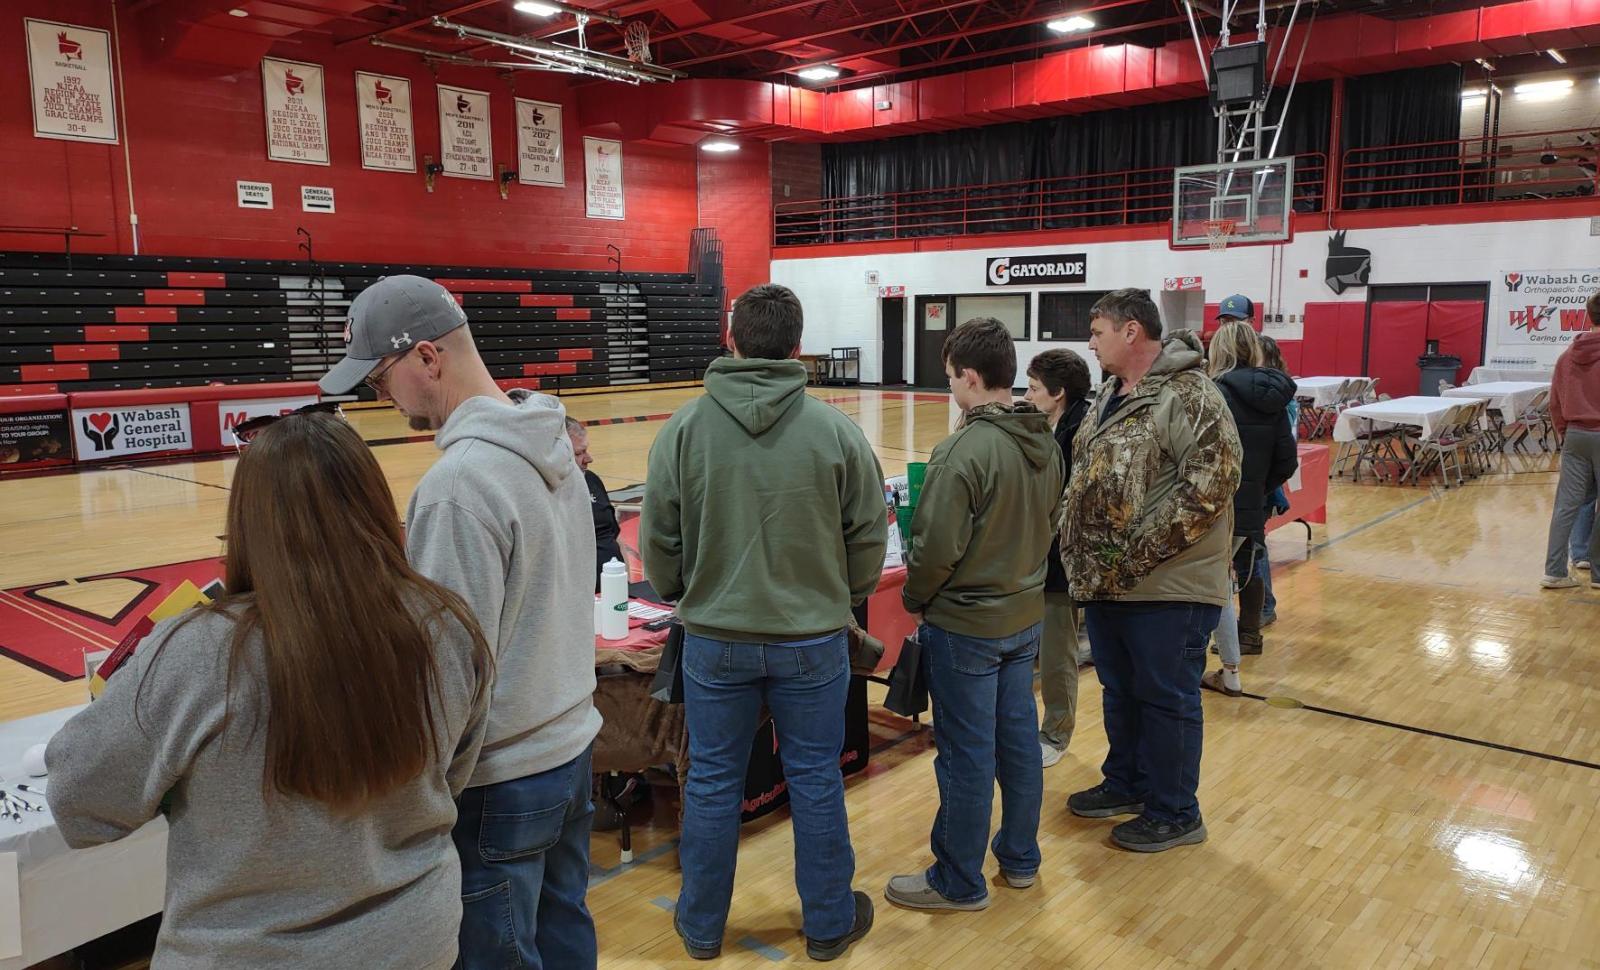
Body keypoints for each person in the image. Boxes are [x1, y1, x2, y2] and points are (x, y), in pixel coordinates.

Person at [46, 410, 494, 970]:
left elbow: (81, 802)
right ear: (376, 506)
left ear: (248, 522)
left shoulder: (198, 650)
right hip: (416, 942)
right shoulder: (447, 625)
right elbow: (453, 774)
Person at [319, 274, 603, 970]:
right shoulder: (554, 441)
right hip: (572, 749)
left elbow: (450, 672)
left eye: (382, 376)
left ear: (426, 358)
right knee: (567, 939)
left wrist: (414, 799)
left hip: (502, 779)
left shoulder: (457, 487)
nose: (381, 396)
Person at [641, 283, 883, 962]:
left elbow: (659, 541)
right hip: (812, 640)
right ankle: (830, 923)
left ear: (731, 340)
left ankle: (700, 927)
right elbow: (869, 534)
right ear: (798, 348)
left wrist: (685, 590)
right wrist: (842, 595)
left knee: (713, 781)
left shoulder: (684, 429)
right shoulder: (836, 429)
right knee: (814, 777)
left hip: (716, 639)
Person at [885, 318, 1063, 911]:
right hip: (1022, 617)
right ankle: (1019, 859)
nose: (949, 389)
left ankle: (958, 882)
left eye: (950, 378)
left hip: (967, 627)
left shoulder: (964, 449)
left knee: (965, 755)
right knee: (1017, 744)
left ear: (968, 376)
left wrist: (915, 598)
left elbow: (935, 550)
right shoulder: (1043, 440)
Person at [1060, 289, 1241, 852]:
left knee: (1167, 698)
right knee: (1122, 690)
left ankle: (1175, 811)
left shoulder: (1191, 394)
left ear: (1132, 331)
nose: (1091, 344)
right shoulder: (1111, 394)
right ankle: (1129, 784)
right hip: (1112, 584)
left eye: (1097, 332)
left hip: (1169, 586)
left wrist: (1131, 554)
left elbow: (1211, 484)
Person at [1202, 322, 1298, 696]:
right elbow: (1286, 460)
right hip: (1252, 500)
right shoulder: (1275, 396)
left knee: (1216, 582)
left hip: (1217, 503)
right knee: (1251, 568)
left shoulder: (1215, 392)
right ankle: (1250, 635)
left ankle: (1225, 665)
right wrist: (1259, 488)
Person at [1020, 348, 1093, 768]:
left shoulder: (1079, 432)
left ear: (1059, 392)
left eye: (1033, 389)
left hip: (1061, 561)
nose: (1027, 396)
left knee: (1056, 650)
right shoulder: (1049, 424)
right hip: (1038, 555)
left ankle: (1056, 731)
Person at [1542, 293, 1600, 589]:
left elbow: (1554, 401)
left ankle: (1554, 571)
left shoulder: (1567, 356)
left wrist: (1564, 431)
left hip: (1575, 434)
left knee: (1567, 505)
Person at [1255, 334, 1299, 625]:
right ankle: (1261, 604)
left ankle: (1264, 605)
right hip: (1260, 483)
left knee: (1254, 547)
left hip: (1263, 485)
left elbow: (1284, 451)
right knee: (1253, 547)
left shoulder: (1281, 399)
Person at [566, 416, 624, 589]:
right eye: (578, 453)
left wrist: (625, 584)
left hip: (614, 592)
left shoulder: (591, 480)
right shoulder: (542, 492)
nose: (589, 459)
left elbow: (613, 538)